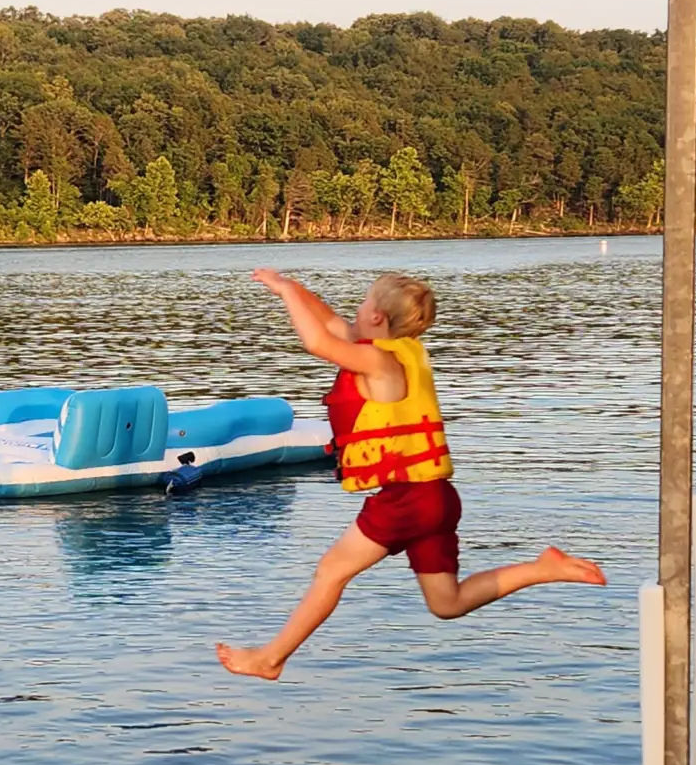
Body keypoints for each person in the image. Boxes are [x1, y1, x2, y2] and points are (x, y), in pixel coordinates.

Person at [215, 268, 606, 681]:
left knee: (331, 572)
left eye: (363, 302)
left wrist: (287, 292)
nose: (355, 311)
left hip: (406, 499)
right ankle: (543, 568)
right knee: (447, 603)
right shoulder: (400, 353)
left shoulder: (378, 361)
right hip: (436, 496)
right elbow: (329, 323)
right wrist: (290, 288)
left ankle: (271, 658)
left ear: (377, 317)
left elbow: (317, 341)